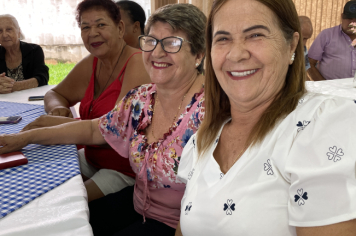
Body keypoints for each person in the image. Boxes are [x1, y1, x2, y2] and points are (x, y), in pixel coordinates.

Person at [0, 3, 206, 236]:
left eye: (172, 43)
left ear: (198, 54)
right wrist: (25, 138)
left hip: (178, 223)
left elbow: (212, 202)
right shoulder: (142, 98)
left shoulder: (209, 114)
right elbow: (92, 130)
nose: (157, 53)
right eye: (151, 41)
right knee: (57, 218)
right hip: (139, 204)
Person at [175, 0, 356, 235]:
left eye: (255, 35)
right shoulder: (204, 137)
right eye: (222, 38)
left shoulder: (320, 126)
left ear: (292, 45)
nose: (237, 53)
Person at [23, 0, 151, 203]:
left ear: (120, 28)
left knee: (62, 203)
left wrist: (57, 125)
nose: (92, 33)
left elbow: (116, 132)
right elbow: (54, 93)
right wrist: (58, 109)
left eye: (101, 25)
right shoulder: (92, 63)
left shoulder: (138, 63)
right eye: (85, 27)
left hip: (124, 169)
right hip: (91, 158)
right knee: (31, 176)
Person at [0, 14, 49, 94]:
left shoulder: (34, 50)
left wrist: (14, 86)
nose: (4, 35)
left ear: (18, 32)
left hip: (29, 99)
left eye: (9, 29)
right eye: (0, 31)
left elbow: (42, 78)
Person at [308, 0, 356, 81]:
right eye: (349, 18)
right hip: (329, 91)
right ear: (341, 17)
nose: (352, 23)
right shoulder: (326, 35)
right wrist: (324, 86)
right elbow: (309, 63)